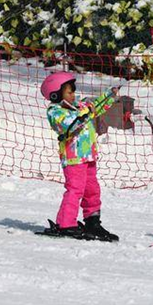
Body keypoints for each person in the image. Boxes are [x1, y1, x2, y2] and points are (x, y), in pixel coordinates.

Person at [40, 71, 119, 241]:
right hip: (73, 158)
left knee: (92, 189)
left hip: (88, 156)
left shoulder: (78, 106)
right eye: (69, 92)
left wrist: (109, 96)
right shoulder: (55, 111)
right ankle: (65, 223)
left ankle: (93, 221)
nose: (73, 95)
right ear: (56, 95)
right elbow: (70, 124)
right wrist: (87, 112)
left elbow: (95, 107)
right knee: (75, 189)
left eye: (73, 91)